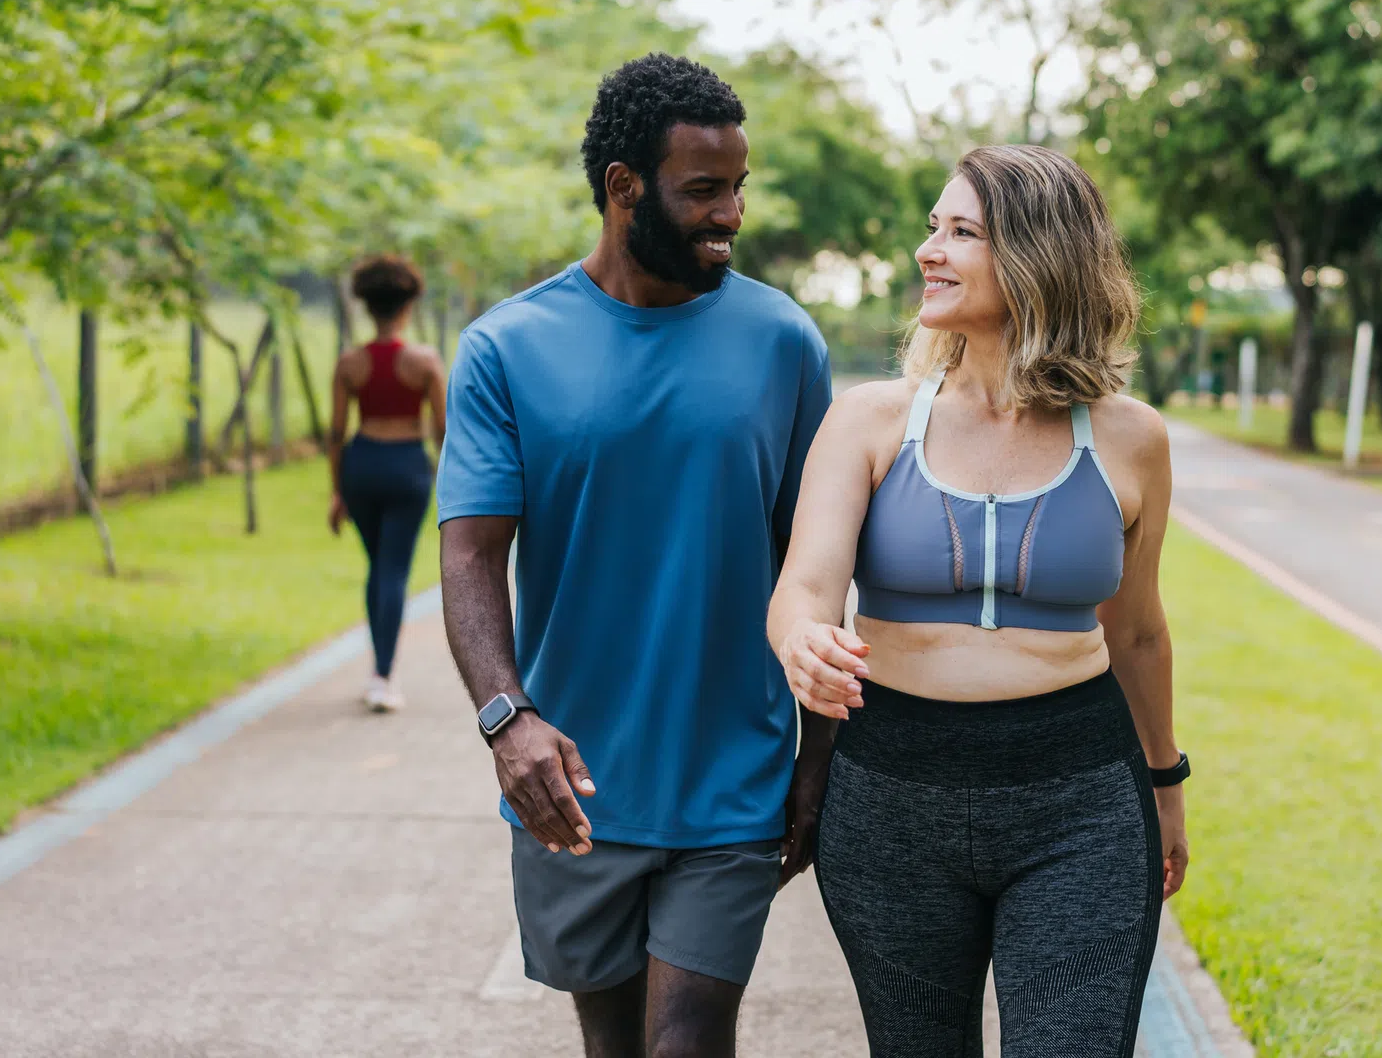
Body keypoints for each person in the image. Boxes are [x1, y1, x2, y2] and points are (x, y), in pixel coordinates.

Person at [436, 54, 833, 1058]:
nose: (732, 213)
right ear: (625, 189)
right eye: (705, 189)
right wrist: (506, 720)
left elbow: (819, 565)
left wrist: (822, 755)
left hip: (734, 776)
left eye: (739, 186)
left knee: (689, 1042)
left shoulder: (785, 343)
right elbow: (472, 554)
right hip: (570, 781)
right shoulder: (505, 349)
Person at [769, 145, 1190, 1058]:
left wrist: (1165, 785)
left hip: (1079, 799)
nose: (930, 249)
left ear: (1042, 256)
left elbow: (1142, 633)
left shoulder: (1130, 438)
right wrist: (802, 639)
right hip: (890, 801)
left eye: (962, 232)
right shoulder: (872, 420)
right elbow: (805, 583)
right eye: (933, 227)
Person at [327, 255, 446, 712]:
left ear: (366, 306)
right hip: (406, 468)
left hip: (361, 465)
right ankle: (383, 677)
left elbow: (336, 432)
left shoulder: (349, 364)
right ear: (408, 306)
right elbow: (442, 431)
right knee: (393, 569)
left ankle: (378, 672)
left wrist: (337, 491)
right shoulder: (424, 361)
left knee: (378, 566)